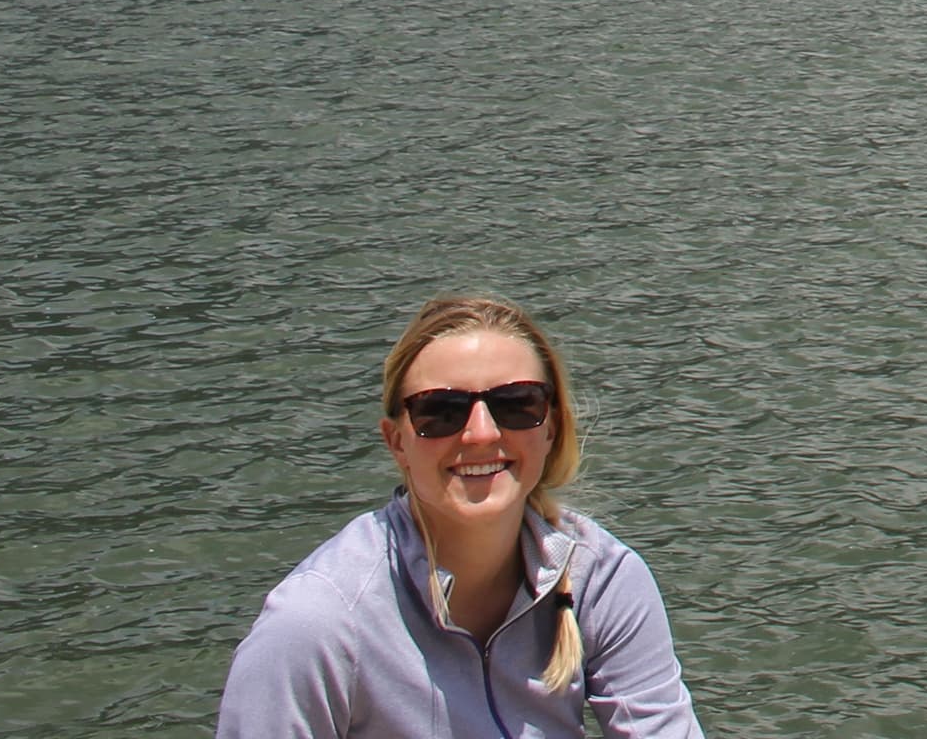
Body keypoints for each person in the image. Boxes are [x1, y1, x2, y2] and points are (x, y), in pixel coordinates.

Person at [218, 294, 703, 737]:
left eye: (516, 405)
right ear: (397, 442)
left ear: (551, 426)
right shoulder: (316, 625)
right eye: (441, 412)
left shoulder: (602, 579)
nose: (481, 434)